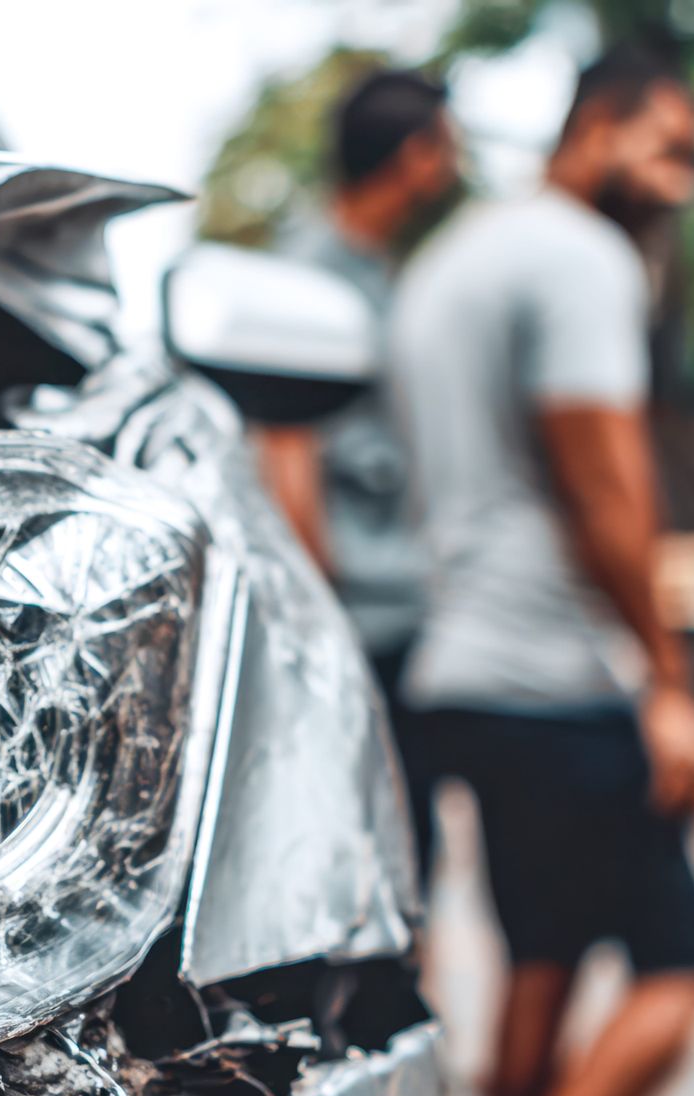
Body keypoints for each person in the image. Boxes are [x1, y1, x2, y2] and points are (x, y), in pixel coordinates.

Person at [387, 45, 694, 1096]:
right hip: (561, 667)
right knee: (683, 969)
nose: (681, 183)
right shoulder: (583, 258)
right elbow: (603, 483)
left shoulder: (453, 257)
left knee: (540, 962)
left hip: (461, 661)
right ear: (597, 125)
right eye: (668, 147)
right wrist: (671, 677)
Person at [257, 69, 461, 890]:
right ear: (415, 155)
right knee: (371, 866)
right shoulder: (308, 275)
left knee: (413, 857)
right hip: (356, 629)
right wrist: (323, 623)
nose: (455, 166)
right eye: (449, 147)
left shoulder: (387, 274)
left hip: (401, 613)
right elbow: (286, 461)